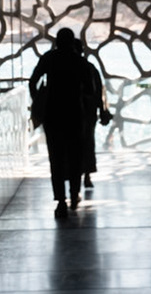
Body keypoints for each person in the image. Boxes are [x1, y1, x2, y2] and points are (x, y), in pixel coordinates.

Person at [29, 28, 104, 214]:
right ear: (72, 42)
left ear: (56, 41)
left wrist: (39, 98)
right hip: (74, 114)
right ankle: (74, 194)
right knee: (75, 155)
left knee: (56, 157)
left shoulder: (49, 58)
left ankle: (60, 200)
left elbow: (33, 81)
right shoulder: (81, 63)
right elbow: (90, 90)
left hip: (53, 114)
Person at [80, 50, 111, 191]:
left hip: (65, 114)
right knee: (87, 144)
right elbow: (99, 91)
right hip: (88, 113)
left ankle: (73, 179)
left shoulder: (57, 66)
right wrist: (102, 110)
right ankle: (86, 175)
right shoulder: (89, 68)